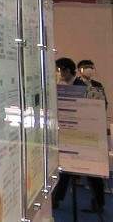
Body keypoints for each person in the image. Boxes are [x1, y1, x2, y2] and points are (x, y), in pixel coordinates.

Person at [53, 57, 108, 213]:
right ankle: (56, 199)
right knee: (65, 169)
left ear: (67, 70)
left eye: (59, 70)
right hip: (68, 133)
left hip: (86, 135)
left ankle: (99, 203)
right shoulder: (60, 87)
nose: (58, 73)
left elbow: (99, 108)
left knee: (92, 172)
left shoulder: (85, 87)